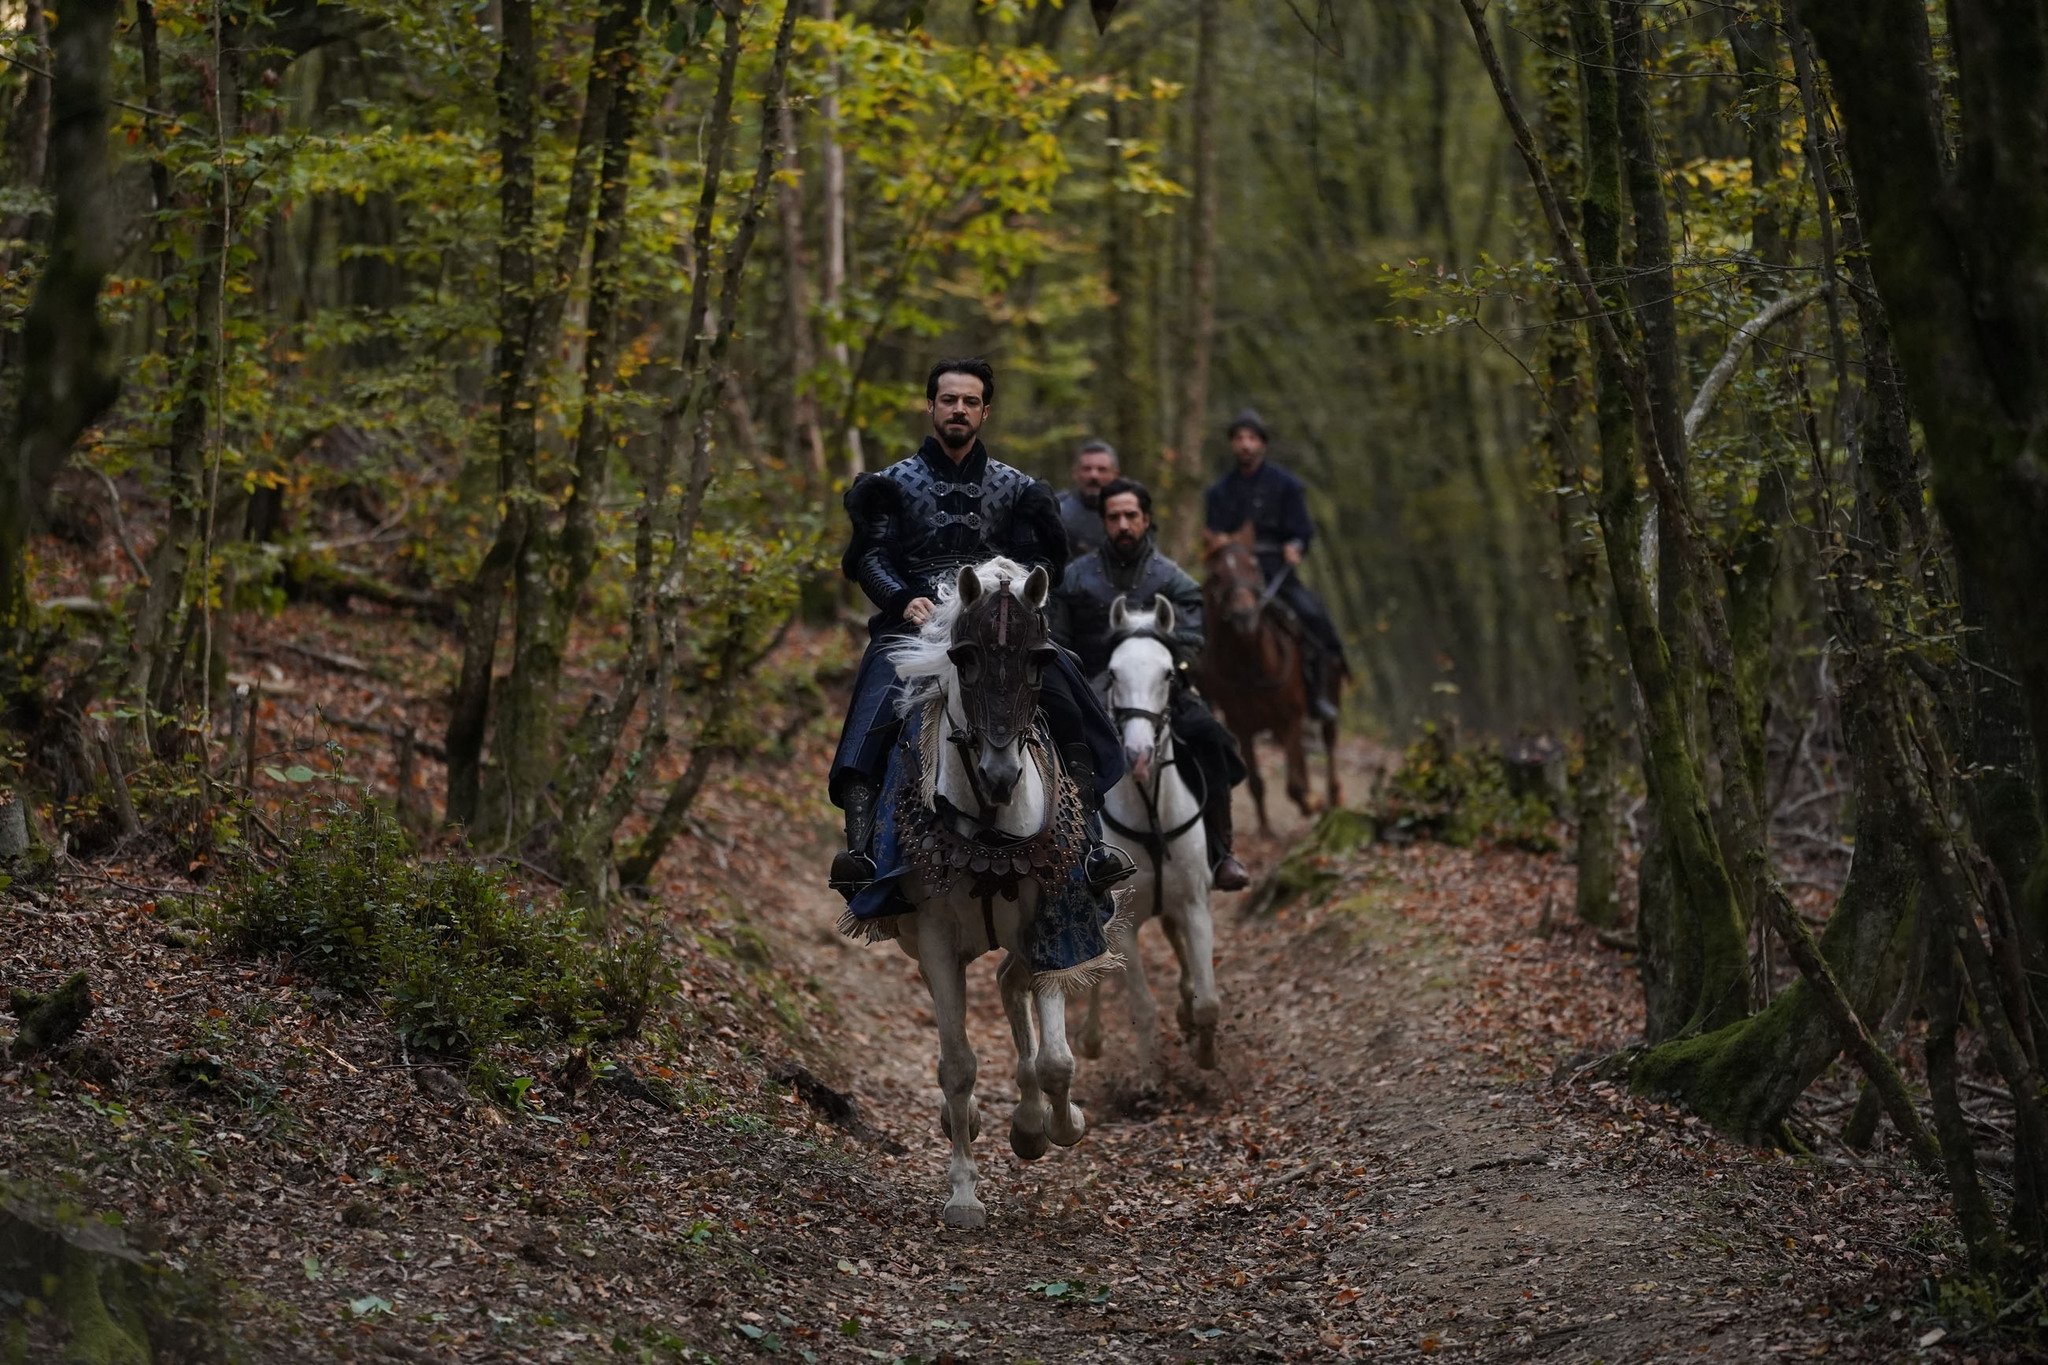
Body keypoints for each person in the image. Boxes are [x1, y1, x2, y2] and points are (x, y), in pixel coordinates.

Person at [829, 358, 1137, 901]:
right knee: (876, 693)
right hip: (917, 619)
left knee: (1067, 689)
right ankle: (860, 852)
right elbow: (870, 557)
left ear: (985, 411)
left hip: (999, 617)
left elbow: (1040, 559)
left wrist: (1013, 590)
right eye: (949, 400)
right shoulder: (891, 485)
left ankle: (1092, 846)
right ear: (931, 406)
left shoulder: (1017, 489)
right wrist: (903, 599)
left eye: (970, 401)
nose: (958, 410)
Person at [1051, 477, 1252, 890]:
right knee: (1052, 748)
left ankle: (1221, 851)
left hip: (1164, 694)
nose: (1123, 524)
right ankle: (1069, 862)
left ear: (1146, 520)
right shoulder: (1073, 579)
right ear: (1104, 522)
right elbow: (1058, 639)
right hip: (1091, 697)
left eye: (1131, 516)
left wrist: (1174, 668)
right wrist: (1081, 685)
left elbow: (1194, 637)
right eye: (1114, 517)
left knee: (1212, 739)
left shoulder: (1173, 579)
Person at [1202, 409, 1347, 721]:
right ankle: (1203, 699)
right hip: (1233, 572)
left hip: (1275, 569)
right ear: (1232, 444)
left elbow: (1303, 530)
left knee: (1314, 619)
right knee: (1198, 623)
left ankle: (1318, 692)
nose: (1245, 444)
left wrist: (1295, 546)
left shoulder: (1286, 485)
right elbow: (1212, 533)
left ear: (1262, 444)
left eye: (1251, 438)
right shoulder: (1218, 491)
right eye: (1239, 438)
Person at [1055, 439, 1120, 557]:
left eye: (1102, 469)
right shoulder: (1055, 510)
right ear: (1075, 473)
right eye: (1087, 469)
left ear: (1115, 474)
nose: (1093, 475)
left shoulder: (1131, 513)